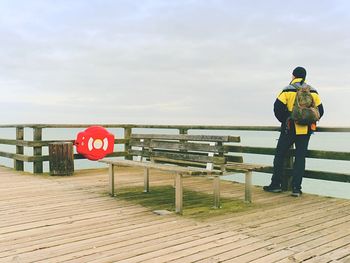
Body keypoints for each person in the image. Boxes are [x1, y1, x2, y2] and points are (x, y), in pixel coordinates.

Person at [263, 66, 324, 197]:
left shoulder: (287, 90)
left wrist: (286, 120)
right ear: (305, 76)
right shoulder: (312, 91)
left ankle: (276, 185)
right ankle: (296, 188)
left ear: (293, 76)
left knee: (279, 155)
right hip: (306, 130)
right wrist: (308, 121)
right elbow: (321, 111)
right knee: (300, 158)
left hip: (289, 128)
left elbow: (277, 108)